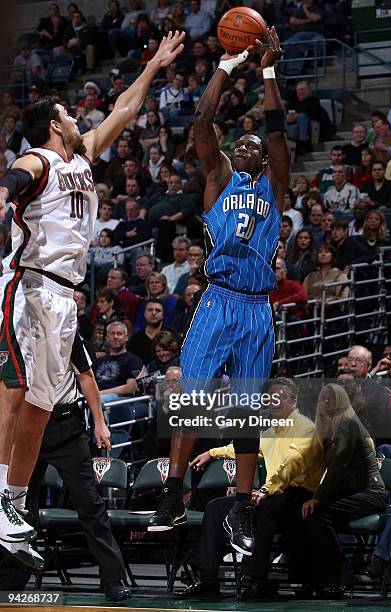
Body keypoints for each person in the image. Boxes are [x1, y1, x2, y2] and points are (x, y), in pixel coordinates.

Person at [0, 30, 185, 551]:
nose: (81, 118)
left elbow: (125, 110)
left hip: (65, 297)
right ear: (56, 125)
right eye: (70, 114)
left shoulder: (81, 160)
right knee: (14, 390)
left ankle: (12, 502)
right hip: (29, 285)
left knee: (41, 404)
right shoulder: (41, 159)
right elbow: (15, 176)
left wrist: (153, 67)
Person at [148, 28, 291, 559]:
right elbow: (204, 122)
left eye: (254, 144)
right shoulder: (217, 179)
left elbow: (278, 133)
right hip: (217, 297)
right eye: (241, 142)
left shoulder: (275, 186)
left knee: (249, 410)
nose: (248, 143)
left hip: (256, 308)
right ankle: (173, 491)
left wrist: (269, 72)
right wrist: (227, 65)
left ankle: (241, 507)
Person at [0, 333, 130, 602]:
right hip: (25, 429)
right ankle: (11, 579)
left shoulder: (66, 332)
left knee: (89, 503)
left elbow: (86, 377)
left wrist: (99, 422)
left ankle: (113, 579)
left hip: (64, 426)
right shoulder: (12, 334)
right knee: (17, 507)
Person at [175, 378, 324, 600]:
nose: (275, 402)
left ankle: (255, 580)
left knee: (258, 509)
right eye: (271, 397)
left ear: (294, 401)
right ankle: (206, 577)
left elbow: (293, 463)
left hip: (297, 495)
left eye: (281, 396)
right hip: (271, 493)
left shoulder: (305, 428)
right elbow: (240, 448)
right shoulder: (270, 431)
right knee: (216, 507)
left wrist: (265, 490)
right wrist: (211, 453)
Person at [288, 384, 386, 598]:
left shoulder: (348, 425)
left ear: (341, 402)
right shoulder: (325, 431)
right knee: (299, 511)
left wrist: (316, 498)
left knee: (318, 515)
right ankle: (314, 579)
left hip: (371, 493)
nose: (325, 403)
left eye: (331, 399)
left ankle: (340, 575)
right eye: (322, 398)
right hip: (348, 493)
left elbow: (339, 467)